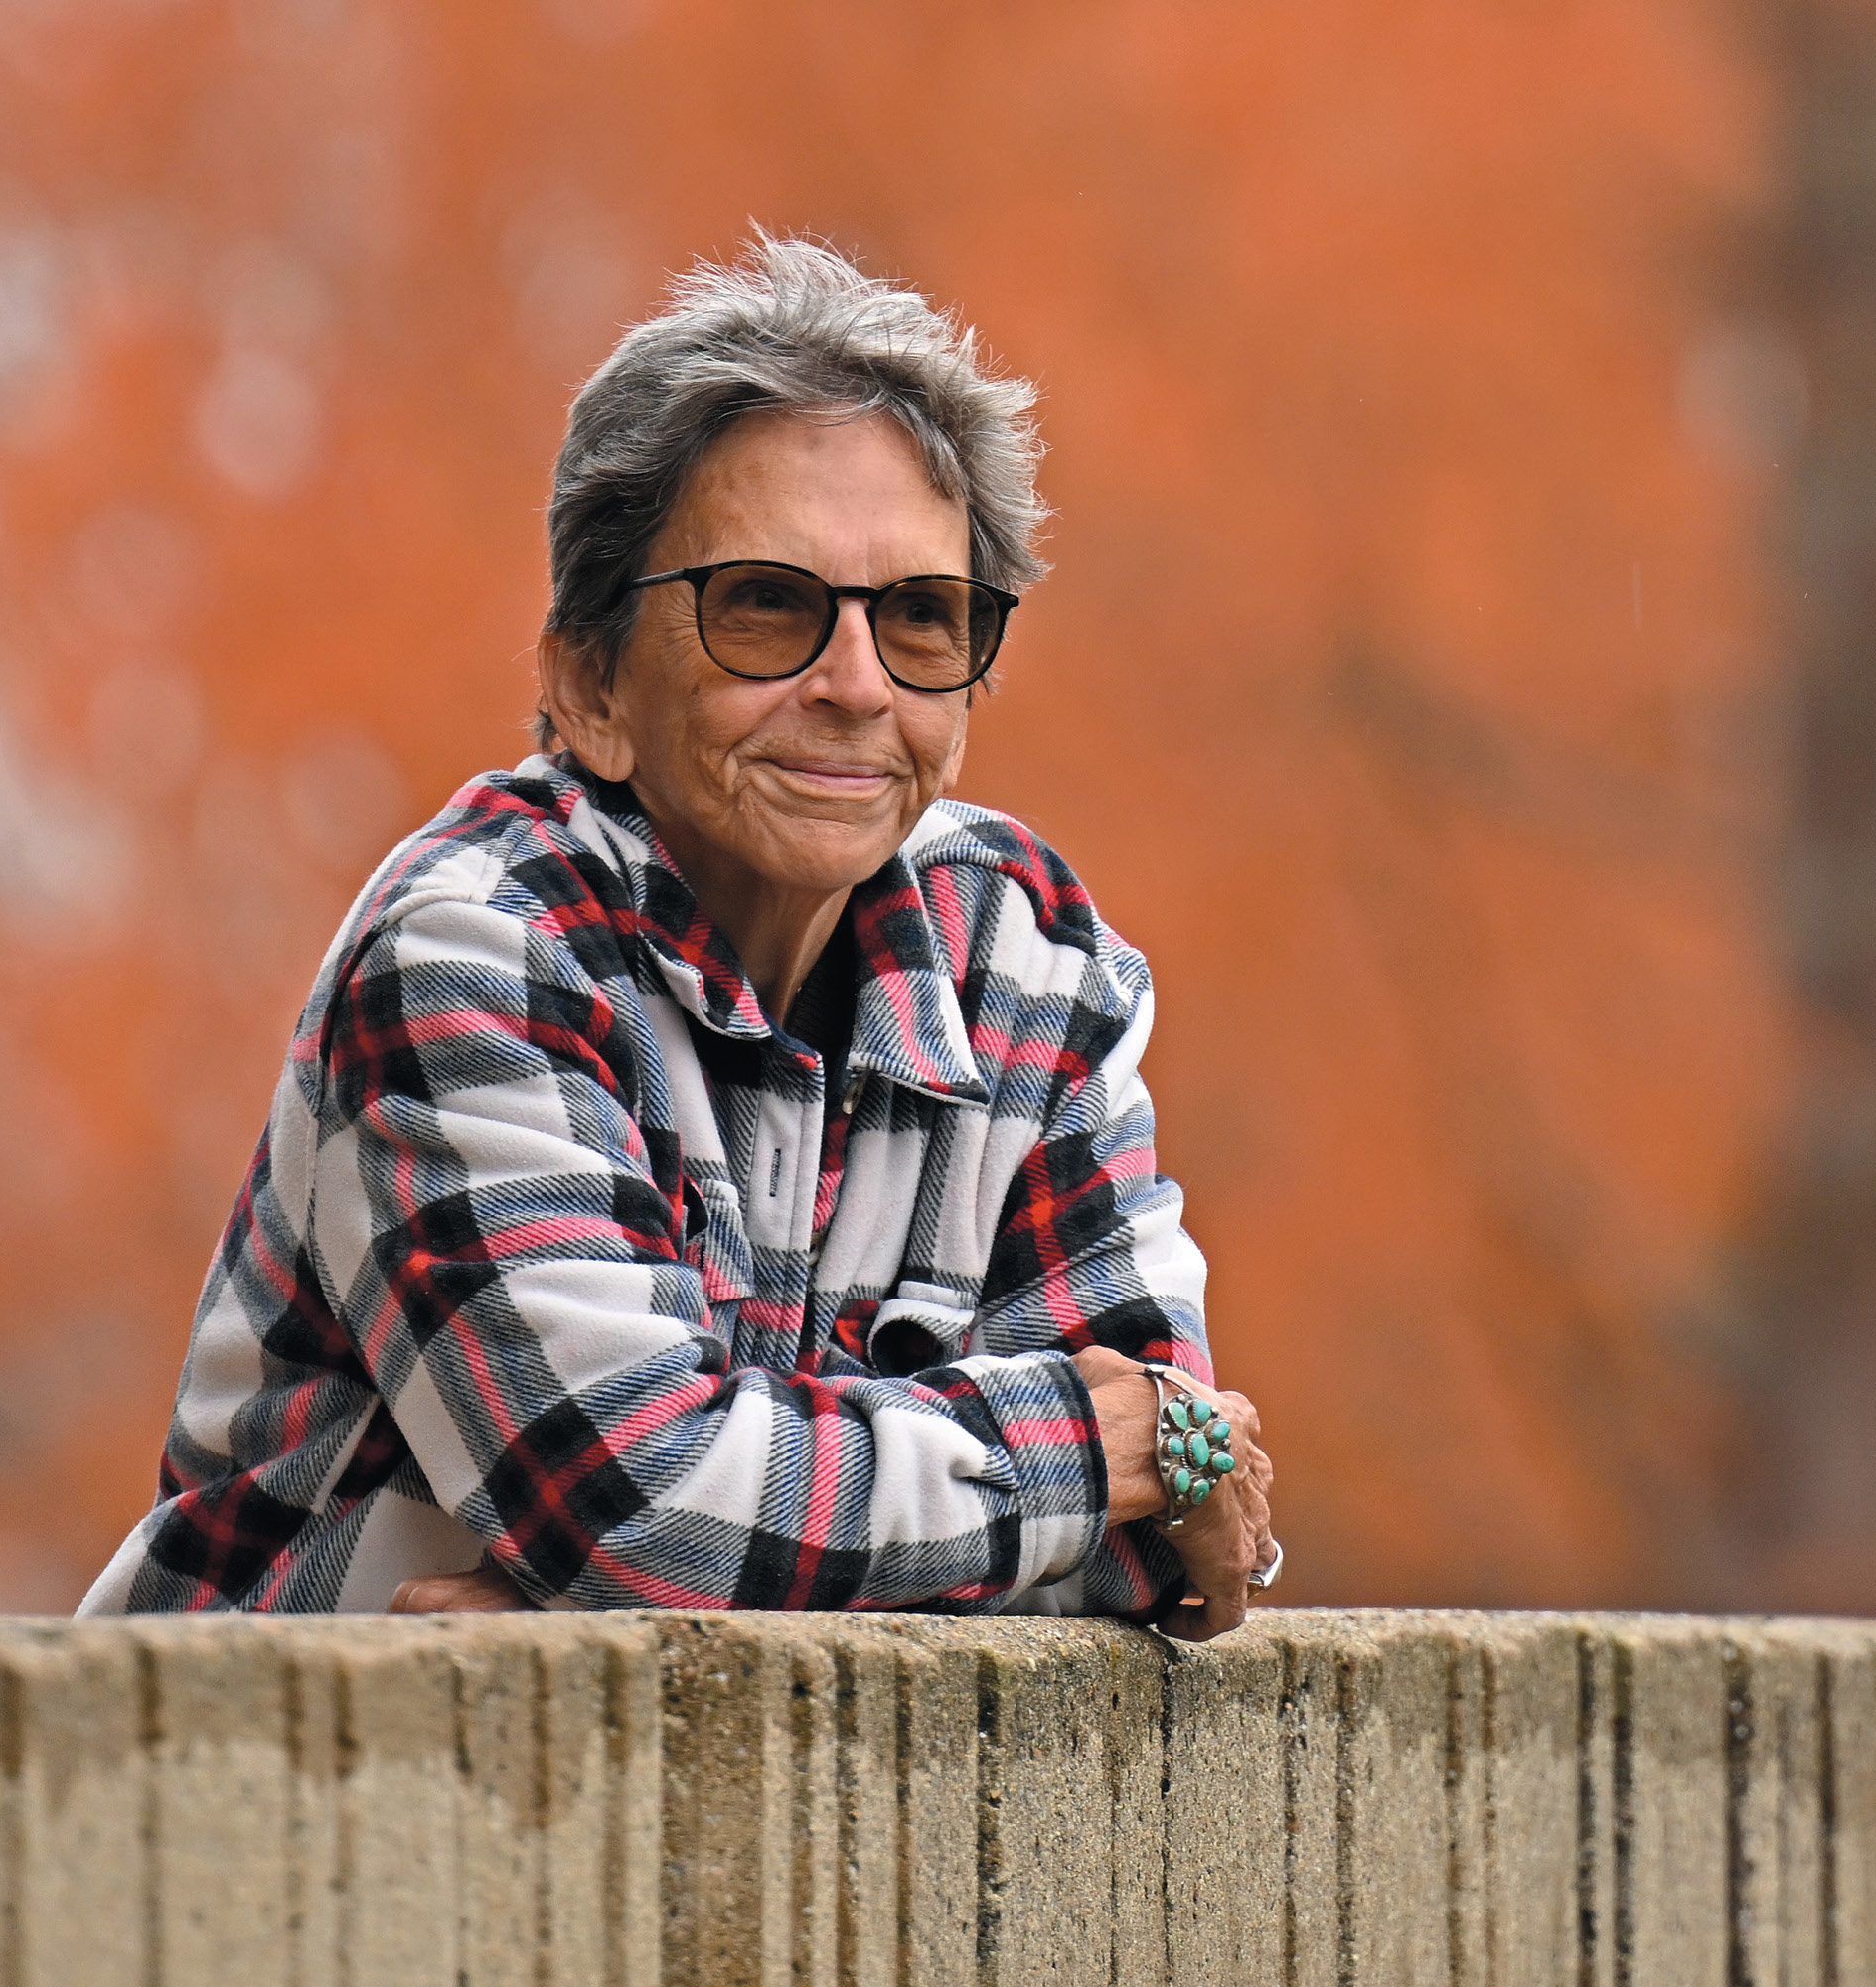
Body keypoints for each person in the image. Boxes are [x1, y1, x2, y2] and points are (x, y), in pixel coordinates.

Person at [79, 237, 1277, 1637]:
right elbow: (649, 1506)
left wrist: (687, 1571)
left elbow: (1177, 1556)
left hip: (701, 1829)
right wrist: (1085, 1458)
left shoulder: (1029, 961)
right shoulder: (473, 957)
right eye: (766, 606)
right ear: (590, 685)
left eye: (922, 620)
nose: (854, 685)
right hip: (249, 1810)